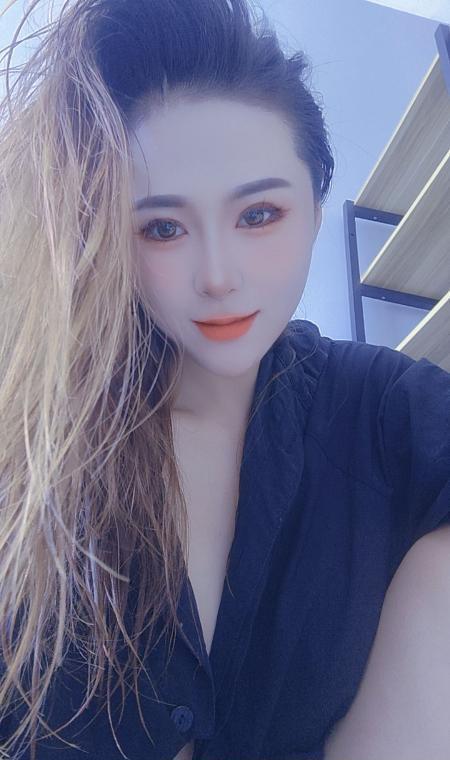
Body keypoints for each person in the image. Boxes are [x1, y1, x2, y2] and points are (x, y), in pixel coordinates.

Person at [0, 1, 449, 759]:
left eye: (259, 214)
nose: (217, 276)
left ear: (315, 210)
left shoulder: (386, 409)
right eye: (162, 228)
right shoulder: (36, 441)